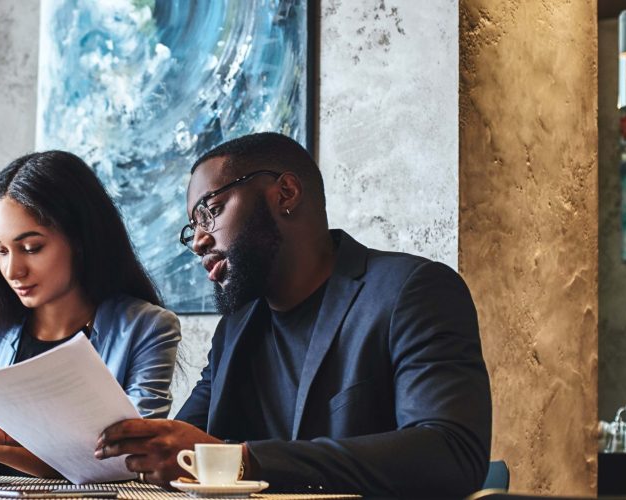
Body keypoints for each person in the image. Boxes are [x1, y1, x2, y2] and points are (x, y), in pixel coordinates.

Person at [94, 133, 492, 497]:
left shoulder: (411, 291)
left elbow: (450, 454)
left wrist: (244, 461)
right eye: (192, 228)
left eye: (210, 211)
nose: (199, 242)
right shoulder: (236, 329)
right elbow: (184, 450)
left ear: (285, 192)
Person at [0, 151, 181, 477]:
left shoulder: (147, 328)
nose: (13, 270)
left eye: (31, 248)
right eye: (1, 250)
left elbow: (132, 459)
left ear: (81, 239)